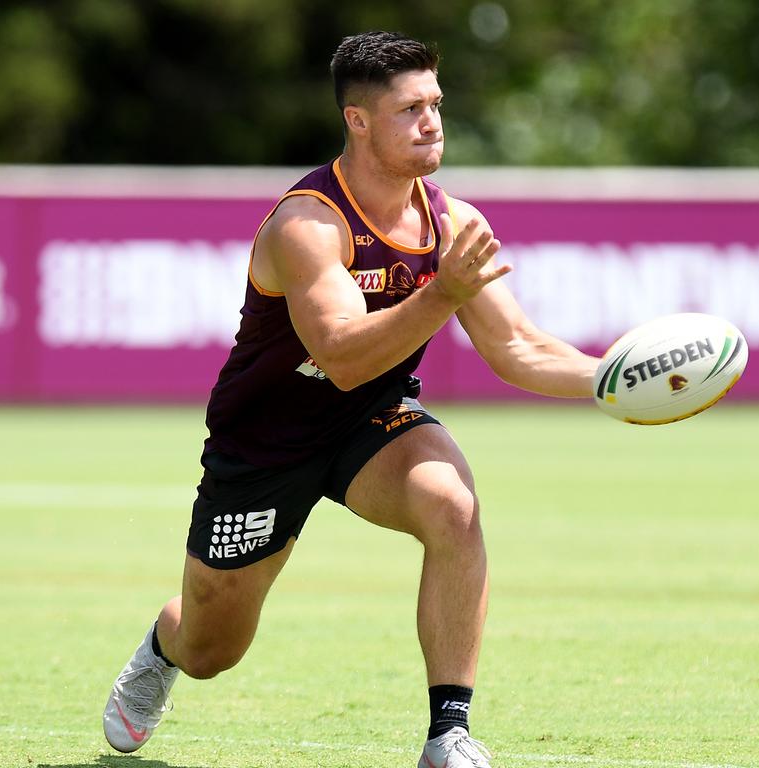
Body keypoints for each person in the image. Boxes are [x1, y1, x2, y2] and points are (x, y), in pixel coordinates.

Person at [102, 30, 599, 768]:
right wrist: (442, 295)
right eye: (409, 109)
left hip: (372, 419)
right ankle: (161, 648)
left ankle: (448, 733)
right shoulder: (307, 223)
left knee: (453, 507)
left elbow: (518, 348)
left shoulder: (454, 222)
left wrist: (612, 379)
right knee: (213, 650)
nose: (431, 121)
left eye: (435, 104)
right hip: (265, 440)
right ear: (358, 121)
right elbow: (338, 353)